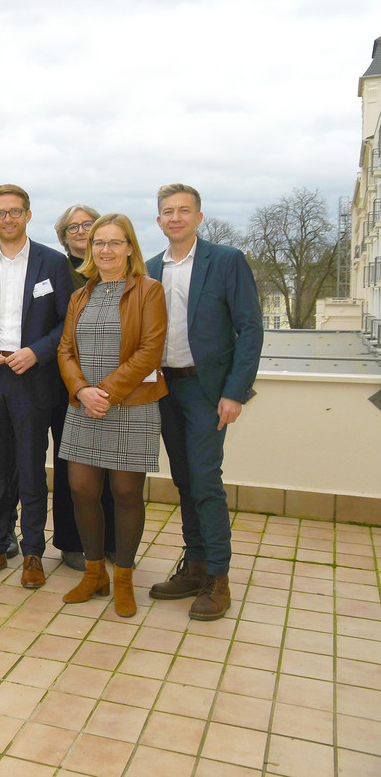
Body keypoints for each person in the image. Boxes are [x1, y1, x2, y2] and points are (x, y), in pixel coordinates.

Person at [147, 184, 262, 621]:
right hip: (164, 389)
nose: (175, 218)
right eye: (167, 212)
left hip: (207, 391)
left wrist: (234, 392)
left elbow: (250, 329)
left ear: (198, 217)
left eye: (183, 210)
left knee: (205, 480)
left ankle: (218, 576)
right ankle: (194, 566)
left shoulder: (227, 261)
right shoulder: (152, 268)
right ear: (159, 221)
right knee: (183, 478)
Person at [0, 184, 73, 589]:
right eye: (0, 213)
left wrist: (38, 352)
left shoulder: (53, 263)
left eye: (15, 212)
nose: (7, 219)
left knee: (30, 469)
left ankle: (33, 554)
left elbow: (66, 323)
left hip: (32, 377)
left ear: (27, 215)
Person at [57, 214, 167, 617]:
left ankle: (122, 577)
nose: (105, 249)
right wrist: (83, 391)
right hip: (85, 405)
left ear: (130, 248)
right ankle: (93, 574)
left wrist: (105, 392)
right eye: (99, 243)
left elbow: (150, 351)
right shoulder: (80, 296)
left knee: (125, 494)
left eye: (115, 242)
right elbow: (65, 351)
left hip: (131, 405)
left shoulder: (149, 290)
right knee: (82, 490)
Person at [51, 204, 115, 571]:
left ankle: (110, 541)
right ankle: (72, 542)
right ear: (64, 235)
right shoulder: (57, 271)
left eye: (87, 225)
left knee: (111, 467)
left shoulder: (114, 270)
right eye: (72, 227)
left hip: (111, 386)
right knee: (71, 465)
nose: (80, 231)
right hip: (68, 383)